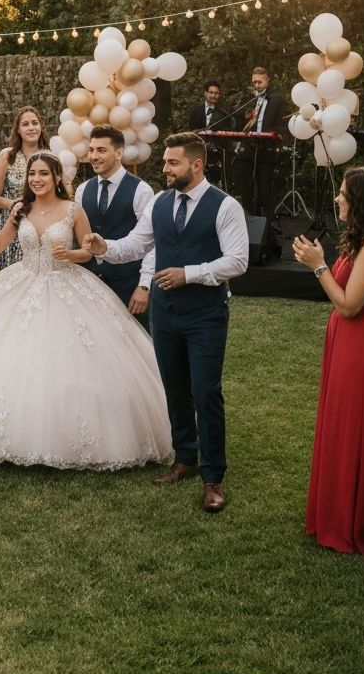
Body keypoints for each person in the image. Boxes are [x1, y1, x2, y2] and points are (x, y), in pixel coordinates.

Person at [0, 151, 171, 469]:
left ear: (57, 177)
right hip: (23, 280)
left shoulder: (73, 210)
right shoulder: (20, 208)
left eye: (44, 173)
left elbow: (89, 252)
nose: (37, 179)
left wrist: (70, 254)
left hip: (66, 283)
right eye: (33, 174)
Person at [85, 132, 249, 512]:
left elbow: (238, 261)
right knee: (173, 388)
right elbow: (136, 244)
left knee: (205, 391)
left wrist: (188, 273)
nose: (165, 169)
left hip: (205, 313)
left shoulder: (225, 207)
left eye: (172, 163)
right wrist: (104, 247)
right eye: (165, 162)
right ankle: (185, 458)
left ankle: (213, 476)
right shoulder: (159, 202)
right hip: (165, 312)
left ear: (196, 165)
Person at [292, 166, 364, 554]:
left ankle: (355, 518)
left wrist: (317, 266)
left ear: (362, 200)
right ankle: (339, 508)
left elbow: (349, 304)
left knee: (355, 428)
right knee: (341, 424)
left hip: (363, 347)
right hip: (345, 342)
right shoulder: (359, 243)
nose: (338, 198)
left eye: (344, 193)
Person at [75, 124, 155, 327]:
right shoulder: (83, 190)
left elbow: (153, 243)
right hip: (90, 284)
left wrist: (144, 286)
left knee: (136, 345)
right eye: (91, 150)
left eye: (101, 150)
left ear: (119, 153)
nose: (93, 156)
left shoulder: (141, 190)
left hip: (129, 284)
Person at [0, 106, 50, 270]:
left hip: (41, 223)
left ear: (41, 126)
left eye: (34, 123)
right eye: (25, 124)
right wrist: (15, 205)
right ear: (18, 130)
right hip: (12, 224)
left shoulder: (49, 157)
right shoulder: (7, 156)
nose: (31, 128)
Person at [233, 66, 286, 222]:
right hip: (250, 147)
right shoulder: (250, 99)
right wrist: (245, 115)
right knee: (246, 184)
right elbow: (237, 117)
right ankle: (250, 218)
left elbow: (281, 124)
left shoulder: (276, 99)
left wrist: (274, 134)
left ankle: (268, 222)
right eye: (254, 82)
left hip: (266, 147)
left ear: (267, 80)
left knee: (264, 187)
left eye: (259, 82)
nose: (256, 85)